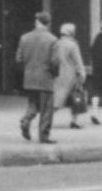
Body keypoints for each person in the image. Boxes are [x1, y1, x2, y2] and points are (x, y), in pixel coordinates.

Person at [16, 12, 58, 143]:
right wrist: (54, 74)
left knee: (33, 103)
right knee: (46, 108)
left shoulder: (24, 38)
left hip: (29, 78)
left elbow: (18, 59)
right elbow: (55, 62)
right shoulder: (52, 40)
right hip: (45, 79)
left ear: (36, 22)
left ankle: (26, 119)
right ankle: (44, 135)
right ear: (48, 23)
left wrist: (27, 69)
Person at [52, 22, 88, 130]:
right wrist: (82, 74)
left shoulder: (56, 43)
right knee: (75, 99)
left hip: (58, 75)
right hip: (71, 75)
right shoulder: (73, 45)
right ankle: (74, 121)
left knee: (57, 99)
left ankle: (46, 119)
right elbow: (78, 61)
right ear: (71, 33)